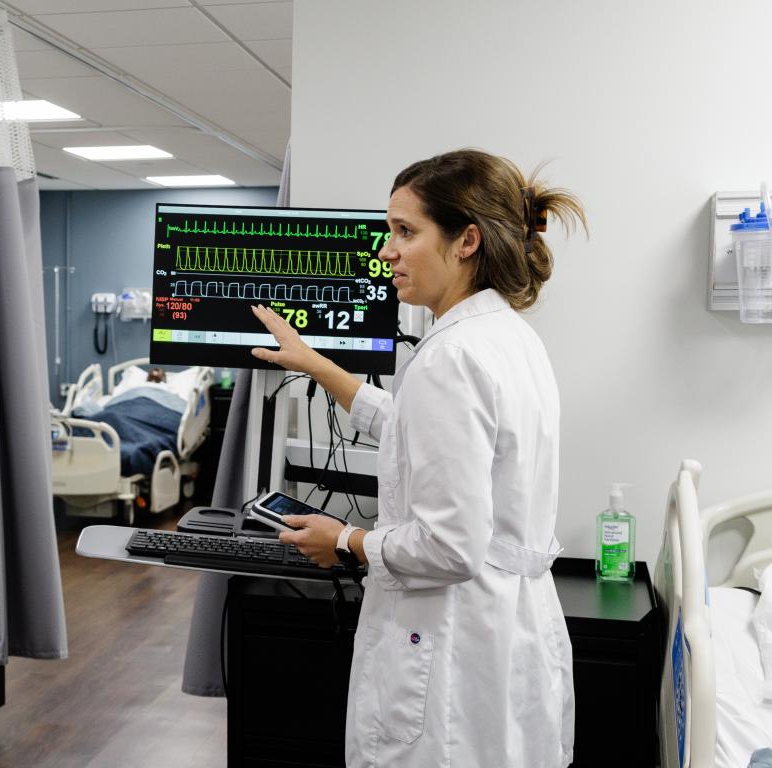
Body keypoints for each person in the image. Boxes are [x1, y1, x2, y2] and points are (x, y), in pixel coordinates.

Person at [249, 149, 586, 767]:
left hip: (449, 648)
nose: (386, 250)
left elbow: (448, 547)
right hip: (508, 635)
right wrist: (319, 365)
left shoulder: (450, 359)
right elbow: (415, 426)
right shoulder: (508, 338)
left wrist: (347, 540)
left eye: (406, 231)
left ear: (467, 241)